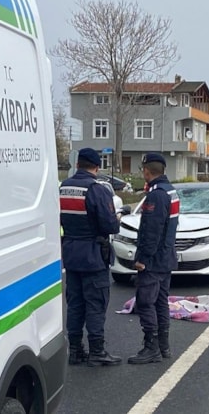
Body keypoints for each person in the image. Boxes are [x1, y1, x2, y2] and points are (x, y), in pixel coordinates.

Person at [60, 148, 122, 366]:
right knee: (95, 303)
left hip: (70, 254)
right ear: (96, 167)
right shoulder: (97, 190)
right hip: (93, 256)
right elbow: (110, 225)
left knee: (75, 304)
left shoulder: (63, 188)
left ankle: (75, 350)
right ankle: (97, 351)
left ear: (77, 164)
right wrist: (117, 218)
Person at [128, 153, 180, 365]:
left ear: (147, 171)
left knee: (145, 301)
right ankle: (163, 346)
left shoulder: (156, 195)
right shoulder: (170, 191)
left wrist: (142, 258)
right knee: (160, 302)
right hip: (166, 257)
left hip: (154, 259)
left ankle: (151, 347)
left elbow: (151, 231)